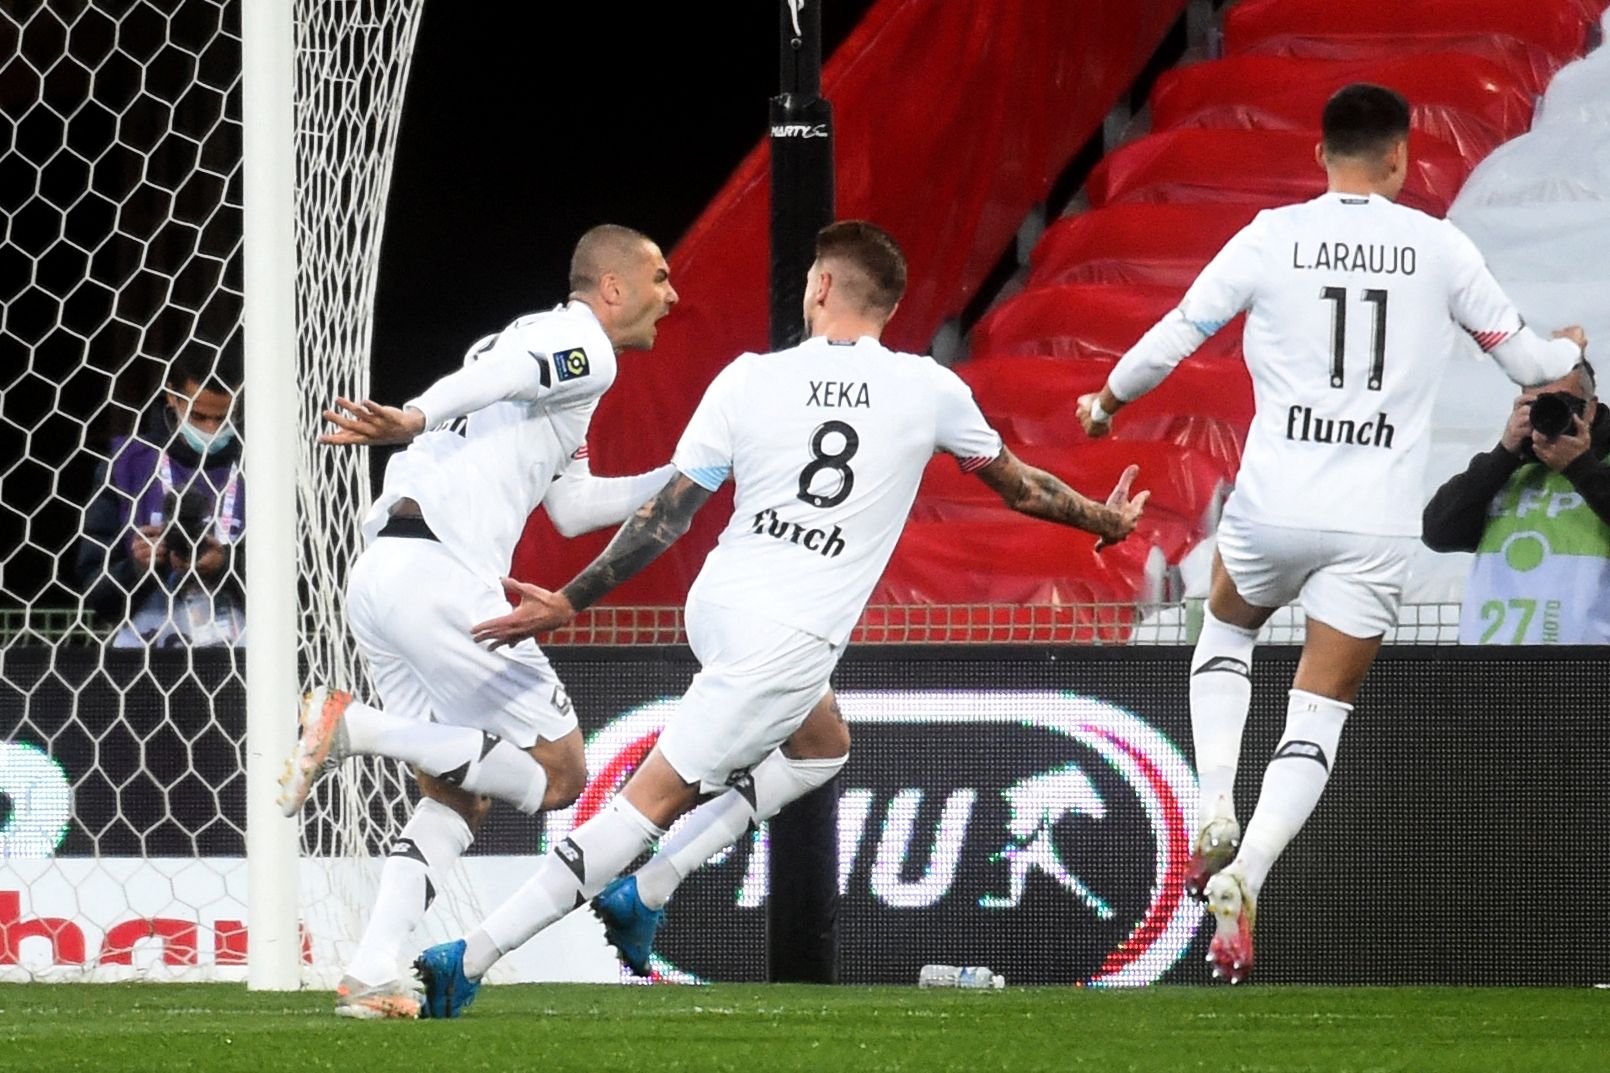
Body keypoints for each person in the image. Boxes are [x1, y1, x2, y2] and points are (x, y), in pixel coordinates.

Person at [409, 219, 1150, 1018]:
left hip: (720, 604)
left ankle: (648, 890)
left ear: (822, 286)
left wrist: (573, 598)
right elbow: (1020, 488)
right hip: (788, 637)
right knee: (649, 802)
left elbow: (667, 514)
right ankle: (470, 956)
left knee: (823, 743)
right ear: (888, 304)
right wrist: (1102, 523)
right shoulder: (930, 388)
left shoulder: (747, 376)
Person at [1074, 84, 1587, 984]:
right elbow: (1529, 362)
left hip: (1273, 505)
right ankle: (1250, 871)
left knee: (1227, 628)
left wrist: (1108, 398)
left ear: (1322, 155)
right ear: (1401, 157)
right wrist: (1569, 354)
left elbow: (1178, 330)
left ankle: (1213, 801)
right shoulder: (1440, 247)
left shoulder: (1274, 235)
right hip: (1372, 520)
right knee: (1319, 712)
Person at [276, 224, 679, 1019]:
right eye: (660, 277)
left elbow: (571, 508)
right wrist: (416, 417)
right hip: (444, 577)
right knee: (561, 775)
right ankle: (356, 727)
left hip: (382, 574)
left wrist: (688, 471)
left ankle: (371, 969)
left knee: (455, 790)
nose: (673, 294)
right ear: (612, 288)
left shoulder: (556, 360)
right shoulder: (577, 344)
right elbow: (506, 375)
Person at [1423, 360, 1610, 643]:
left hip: (1586, 667)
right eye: (1538, 404)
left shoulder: (1603, 467)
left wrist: (1580, 467)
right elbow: (1437, 531)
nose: (1551, 414)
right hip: (1490, 666)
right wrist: (1504, 453)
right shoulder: (1504, 471)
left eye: (1564, 402)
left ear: (1591, 409)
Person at [75, 348, 246, 647]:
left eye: (223, 418)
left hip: (243, 661)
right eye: (198, 415)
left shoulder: (262, 468)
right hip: (143, 663)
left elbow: (299, 590)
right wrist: (139, 567)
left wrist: (227, 565)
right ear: (172, 397)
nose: (211, 428)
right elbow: (94, 593)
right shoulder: (125, 464)